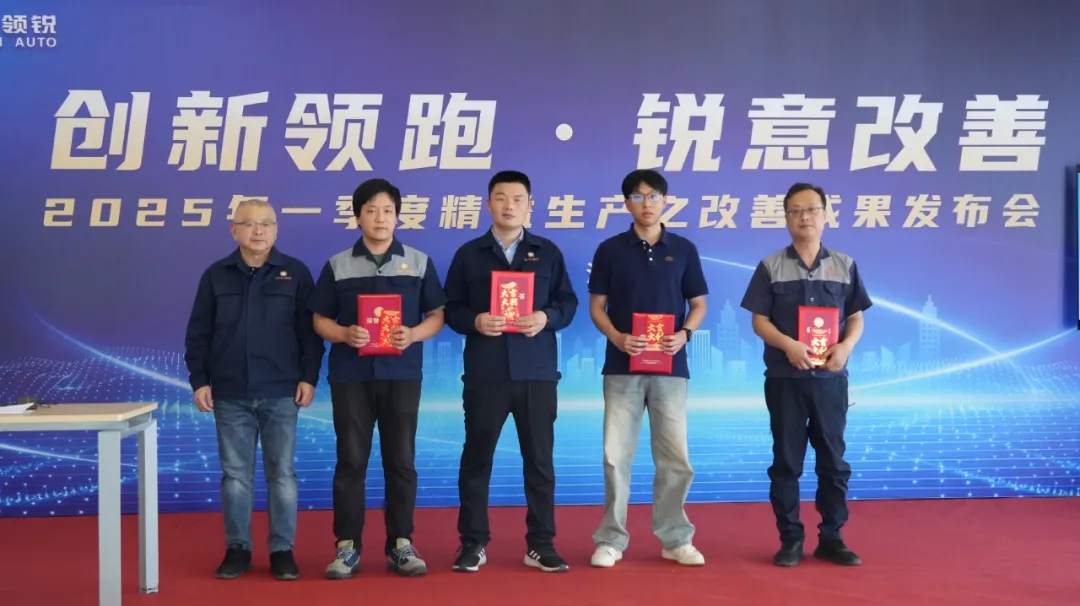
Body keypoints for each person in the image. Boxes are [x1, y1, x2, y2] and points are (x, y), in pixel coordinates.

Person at [308, 178, 447, 579]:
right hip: (351, 375)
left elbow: (437, 315)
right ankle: (347, 546)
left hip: (402, 375)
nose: (380, 218)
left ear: (398, 216)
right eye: (371, 210)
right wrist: (343, 333)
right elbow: (319, 319)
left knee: (401, 460)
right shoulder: (338, 264)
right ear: (358, 217)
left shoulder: (419, 262)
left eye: (387, 210)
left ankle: (401, 543)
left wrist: (414, 334)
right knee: (351, 460)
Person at [443, 170, 579, 573]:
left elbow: (568, 304)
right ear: (488, 204)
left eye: (518, 199)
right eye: (501, 198)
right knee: (476, 460)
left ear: (529, 205)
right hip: (485, 375)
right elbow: (450, 308)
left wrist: (545, 317)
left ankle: (541, 544)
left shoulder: (547, 252)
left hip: (537, 374)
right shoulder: (469, 254)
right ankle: (473, 543)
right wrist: (475, 320)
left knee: (539, 462)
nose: (509, 206)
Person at [184, 198, 325, 581]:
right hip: (230, 391)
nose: (258, 231)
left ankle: (282, 550)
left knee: (282, 474)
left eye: (266, 223)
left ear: (276, 230)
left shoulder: (295, 273)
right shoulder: (216, 275)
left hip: (282, 390)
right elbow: (198, 333)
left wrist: (309, 377)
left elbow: (309, 334)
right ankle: (238, 549)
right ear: (234, 230)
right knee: (235, 476)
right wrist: (200, 380)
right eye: (249, 223)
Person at [738, 182, 872, 568]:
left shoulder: (845, 265)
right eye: (795, 211)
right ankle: (791, 539)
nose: (804, 217)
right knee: (786, 462)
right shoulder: (770, 266)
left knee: (833, 462)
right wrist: (788, 345)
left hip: (831, 381)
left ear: (825, 215)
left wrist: (845, 348)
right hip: (786, 379)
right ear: (786, 218)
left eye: (812, 209)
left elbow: (855, 317)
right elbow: (759, 321)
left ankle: (832, 537)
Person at [587, 169, 708, 568]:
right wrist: (618, 338)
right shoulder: (610, 249)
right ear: (627, 203)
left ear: (665, 200)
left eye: (654, 196)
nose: (647, 204)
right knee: (615, 456)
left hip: (671, 368)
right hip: (621, 366)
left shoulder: (684, 249)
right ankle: (610, 539)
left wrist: (685, 334)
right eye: (638, 197)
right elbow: (597, 307)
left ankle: (675, 539)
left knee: (675, 458)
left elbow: (699, 304)